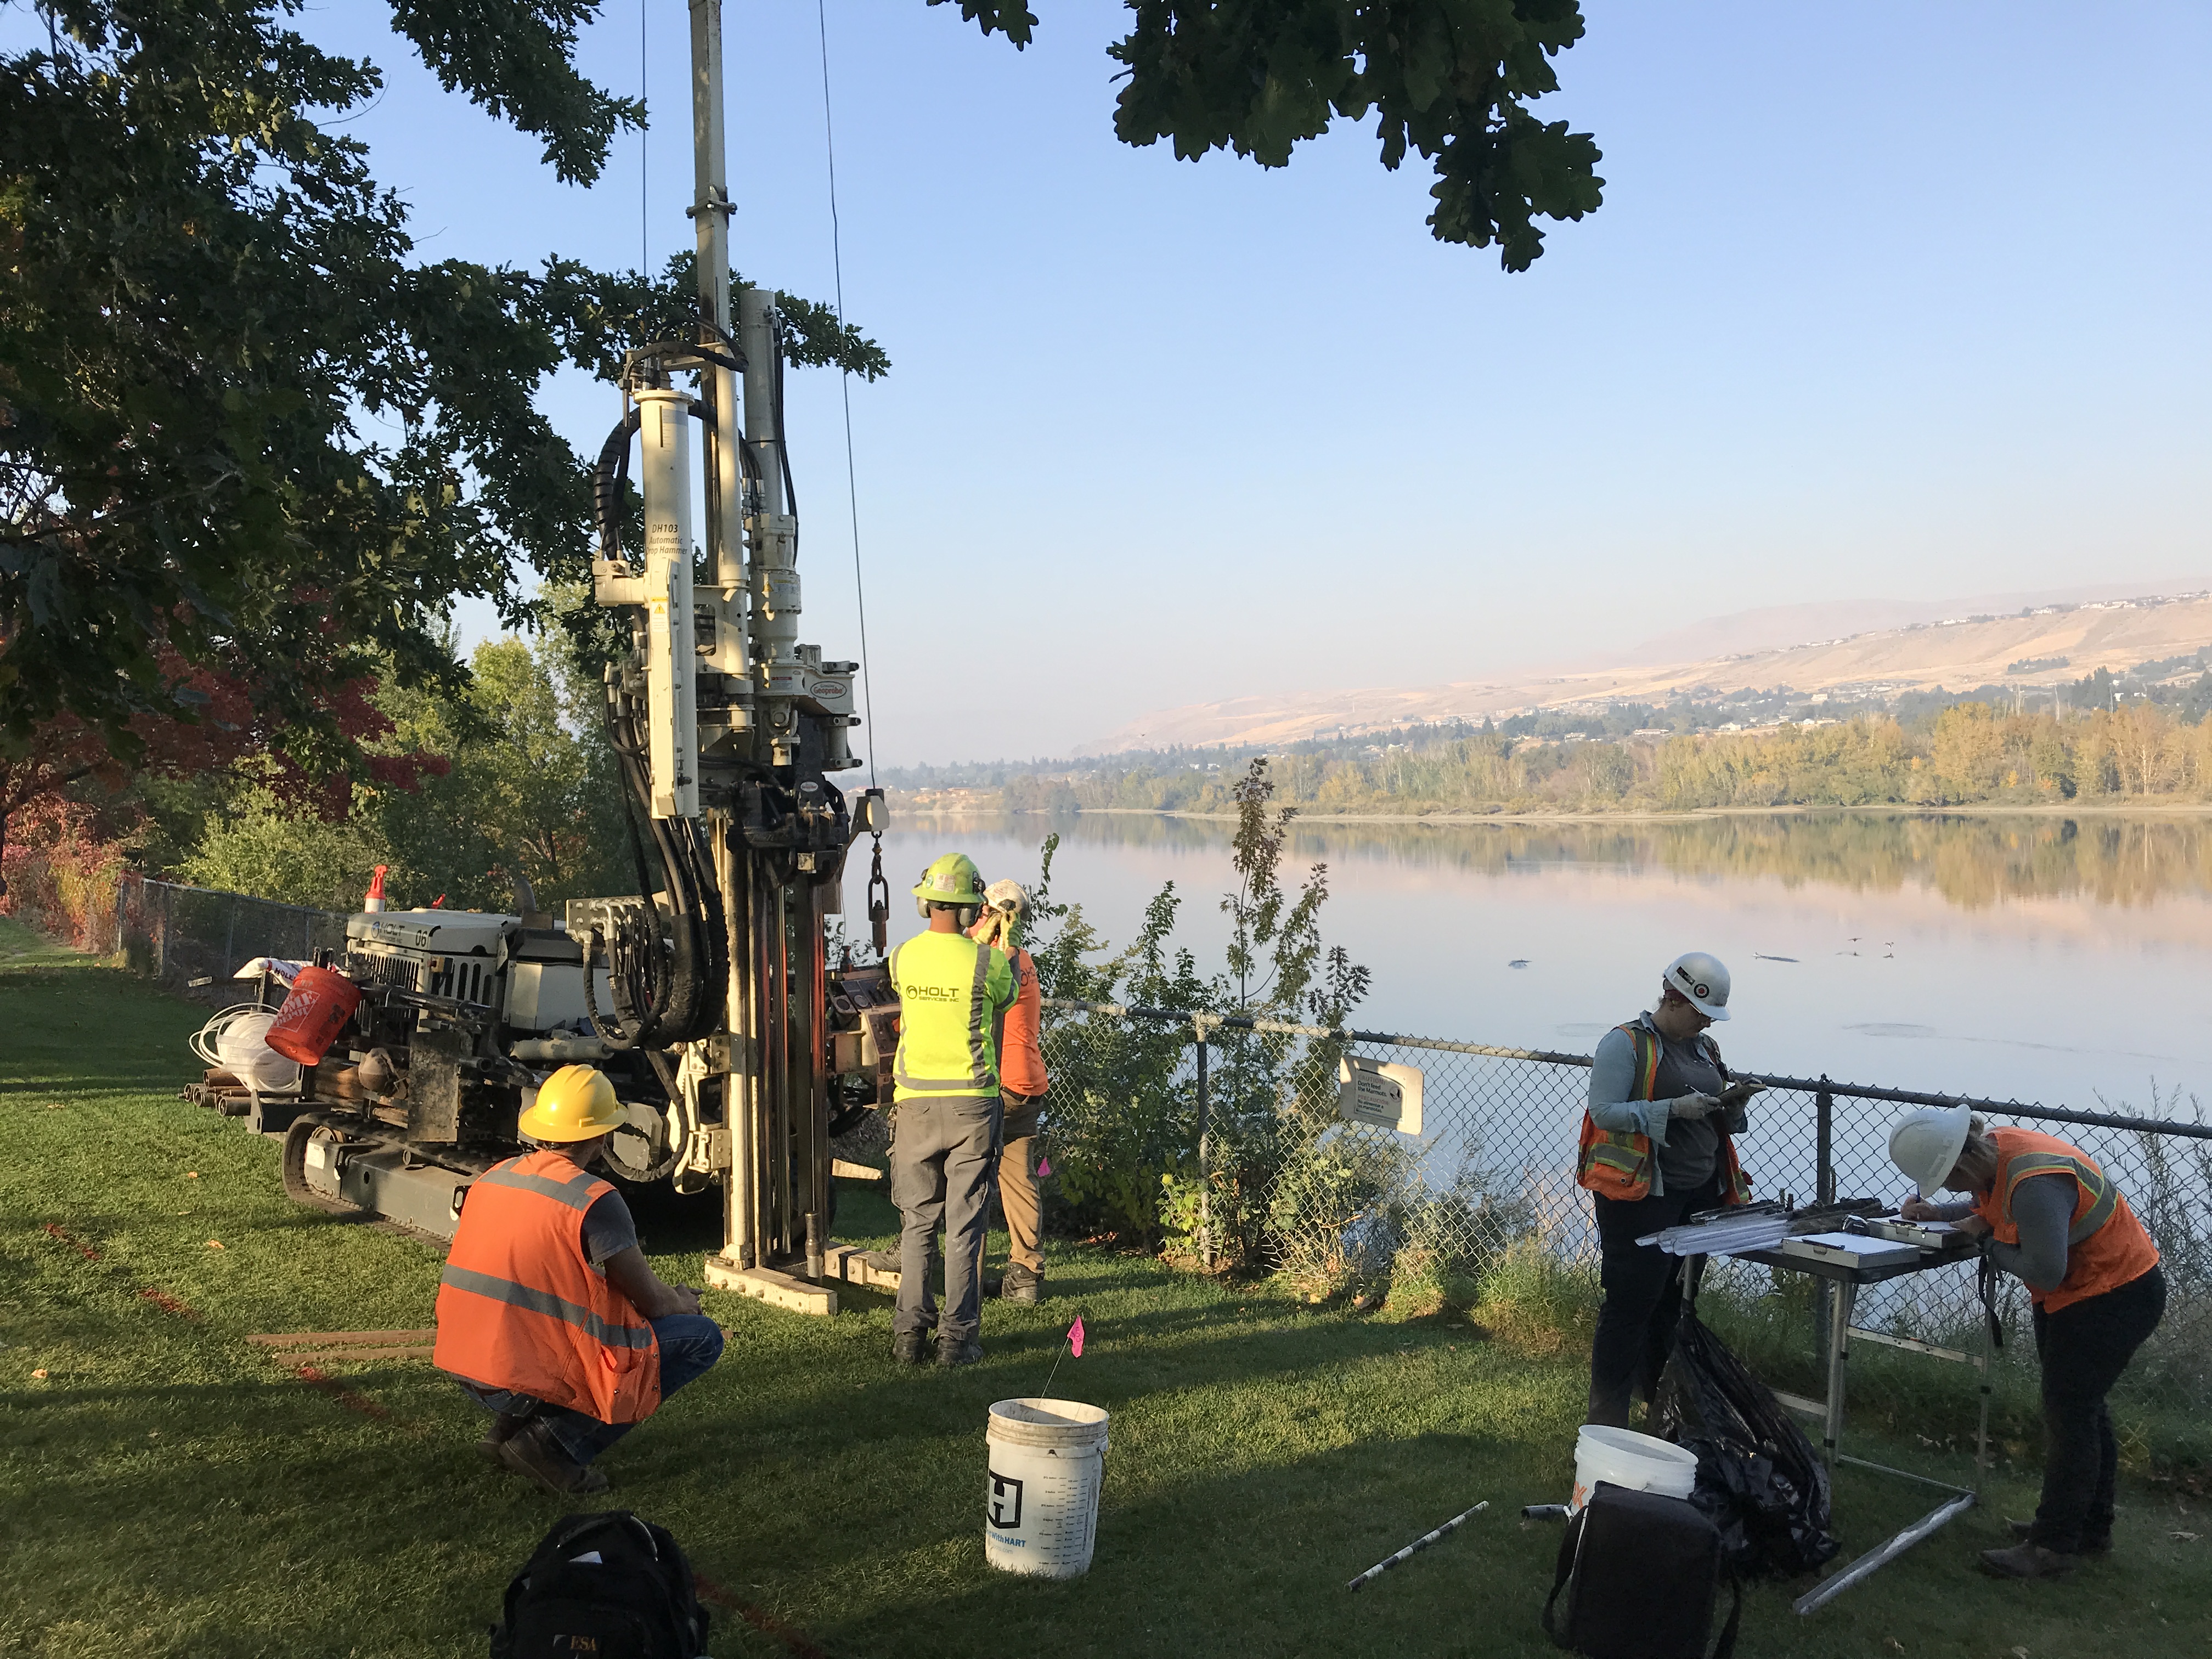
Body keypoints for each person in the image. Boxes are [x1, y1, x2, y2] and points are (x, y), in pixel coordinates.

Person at [1889, 1104, 2165, 1579]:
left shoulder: (2035, 1183)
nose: (1953, 1191)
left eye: (1945, 1184)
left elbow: (2043, 1268)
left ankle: (2053, 1547)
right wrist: (1942, 1214)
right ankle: (2087, 1530)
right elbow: (1989, 1208)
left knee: (2071, 1414)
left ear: (1961, 1162)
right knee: (2083, 1409)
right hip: (2081, 1295)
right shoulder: (1996, 1154)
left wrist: (1986, 1245)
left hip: (2112, 1295)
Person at [433, 1064, 725, 1494]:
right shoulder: (594, 1201)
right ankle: (549, 1446)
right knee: (701, 1337)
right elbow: (653, 1303)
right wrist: (681, 1300)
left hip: (466, 1365)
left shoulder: (496, 1177)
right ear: (603, 1136)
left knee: (541, 1327)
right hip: (516, 1376)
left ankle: (504, 1433)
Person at [1577, 952, 1763, 1429]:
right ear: (1675, 999)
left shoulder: (1706, 1050)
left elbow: (1721, 1121)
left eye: (1710, 1018)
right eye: (1700, 1014)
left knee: (1672, 1305)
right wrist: (1671, 1111)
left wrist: (1733, 1104)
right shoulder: (1626, 1045)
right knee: (1630, 1304)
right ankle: (1607, 1422)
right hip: (1641, 1196)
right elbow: (1605, 1112)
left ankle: (1662, 1408)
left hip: (1697, 1193)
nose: (1704, 1024)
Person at [886, 853, 1020, 1367]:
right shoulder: (991, 963)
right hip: (972, 1105)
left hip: (915, 1105)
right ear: (970, 912)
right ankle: (956, 1342)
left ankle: (908, 1340)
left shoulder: (902, 957)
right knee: (964, 1226)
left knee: (918, 1225)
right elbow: (1005, 1002)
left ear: (925, 904)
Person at [970, 878, 1050, 1303]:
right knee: (1018, 1179)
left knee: (969, 1175)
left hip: (998, 1085)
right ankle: (1025, 1276)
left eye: (983, 911)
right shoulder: (1023, 957)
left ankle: (966, 1274)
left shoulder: (991, 961)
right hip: (1029, 1084)